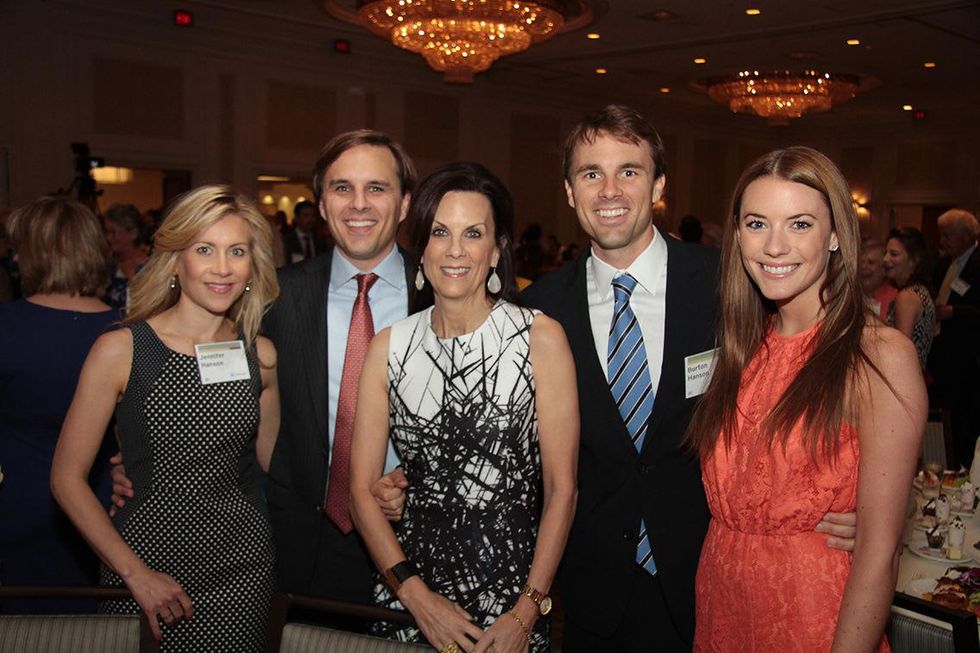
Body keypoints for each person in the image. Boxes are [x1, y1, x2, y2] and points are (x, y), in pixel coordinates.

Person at [521, 105, 858, 651]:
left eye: (628, 171)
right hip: (593, 590)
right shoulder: (537, 311)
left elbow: (812, 375)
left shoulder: (732, 285)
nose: (610, 190)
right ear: (568, 192)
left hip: (710, 579)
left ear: (658, 185)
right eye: (591, 174)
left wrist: (868, 504)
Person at [686, 147, 926, 651]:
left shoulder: (878, 355)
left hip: (816, 620)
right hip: (722, 612)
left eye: (799, 224)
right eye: (757, 223)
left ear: (835, 234)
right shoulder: (740, 349)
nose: (775, 246)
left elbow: (879, 554)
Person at [349, 162, 578, 652]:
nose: (455, 250)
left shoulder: (539, 338)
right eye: (440, 232)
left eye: (473, 233)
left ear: (495, 251)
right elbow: (360, 492)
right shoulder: (389, 346)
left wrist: (526, 609)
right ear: (422, 249)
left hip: (510, 598)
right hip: (408, 593)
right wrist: (414, 595)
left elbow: (562, 489)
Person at [51, 185, 280, 650]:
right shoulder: (121, 350)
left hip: (243, 568)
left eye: (236, 251)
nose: (221, 267)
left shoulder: (261, 356)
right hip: (142, 559)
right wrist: (135, 574)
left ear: (252, 266)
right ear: (176, 260)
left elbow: (279, 467)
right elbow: (66, 479)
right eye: (204, 249)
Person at [260, 130, 425, 607]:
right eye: (342, 188)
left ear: (405, 203)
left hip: (415, 539)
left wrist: (415, 483)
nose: (359, 204)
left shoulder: (440, 294)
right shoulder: (276, 297)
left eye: (377, 188)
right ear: (322, 203)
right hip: (300, 545)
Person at [0, 197, 119, 613]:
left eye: (17, 248)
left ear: (33, 254)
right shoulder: (133, 330)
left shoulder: (8, 327)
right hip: (106, 507)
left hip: (19, 501)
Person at [929, 209, 980, 467]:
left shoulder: (977, 263)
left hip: (968, 358)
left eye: (948, 235)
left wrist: (953, 312)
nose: (943, 241)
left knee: (964, 422)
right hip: (942, 355)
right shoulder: (944, 263)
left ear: (966, 236)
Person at [883, 227, 935, 369]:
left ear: (914, 260)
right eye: (885, 253)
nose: (885, 259)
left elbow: (901, 351)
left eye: (894, 254)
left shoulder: (907, 297)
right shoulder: (920, 291)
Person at [103, 203, 151, 310]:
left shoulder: (150, 267)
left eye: (113, 232)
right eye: (107, 232)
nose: (108, 238)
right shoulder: (109, 263)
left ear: (133, 233)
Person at [859, 238, 897, 321]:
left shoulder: (895, 299)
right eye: (861, 262)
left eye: (871, 263)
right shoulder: (850, 295)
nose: (863, 267)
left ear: (883, 269)